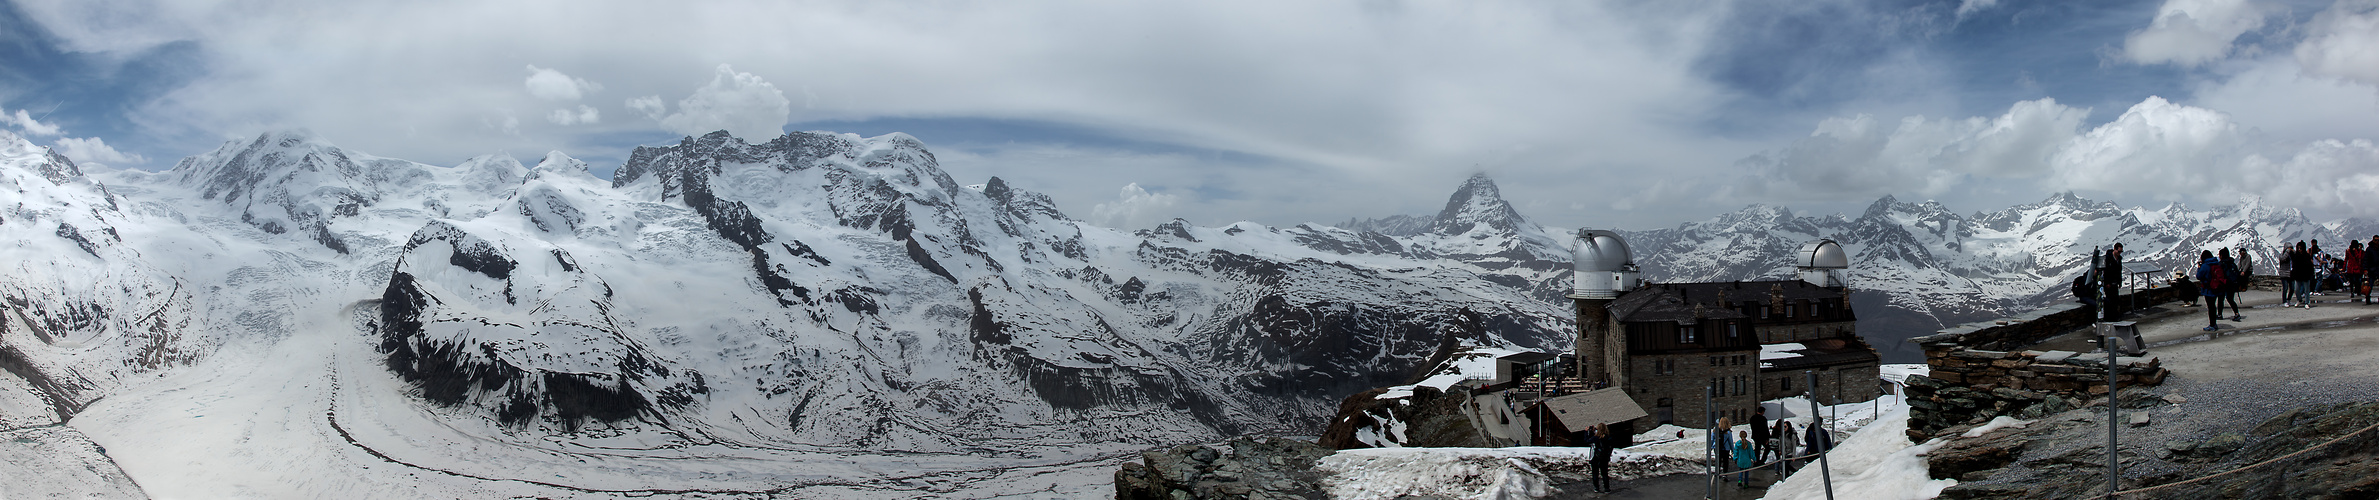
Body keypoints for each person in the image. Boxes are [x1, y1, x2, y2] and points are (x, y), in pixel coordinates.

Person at [2196, 251, 2225, 331]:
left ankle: (2212, 324)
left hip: (2208, 289)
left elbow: (2199, 276)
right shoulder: (2216, 263)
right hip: (2216, 288)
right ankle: (2213, 323)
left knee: (2211, 307)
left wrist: (2199, 268)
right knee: (2213, 306)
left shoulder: (2205, 266)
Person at [2218, 248, 2244, 321]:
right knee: (2230, 299)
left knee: (2220, 299)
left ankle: (2220, 314)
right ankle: (2236, 313)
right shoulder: (2232, 263)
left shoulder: (2221, 264)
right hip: (2232, 283)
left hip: (2224, 283)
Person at [1589, 424, 1616, 493]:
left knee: (1595, 474)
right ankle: (1606, 488)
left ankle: (1596, 488)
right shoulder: (1609, 438)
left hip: (1596, 458)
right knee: (1604, 474)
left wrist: (1588, 432)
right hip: (1605, 458)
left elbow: (1587, 440)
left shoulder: (1596, 438)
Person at [2293, 241, 2318, 307]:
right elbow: (2294, 266)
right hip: (2298, 275)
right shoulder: (2296, 256)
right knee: (2296, 289)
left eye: (2300, 248)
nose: (2299, 250)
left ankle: (2307, 302)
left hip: (2306, 275)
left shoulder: (2306, 256)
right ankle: (2299, 299)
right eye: (2298, 248)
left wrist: (2310, 274)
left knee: (2307, 290)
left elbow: (2310, 266)